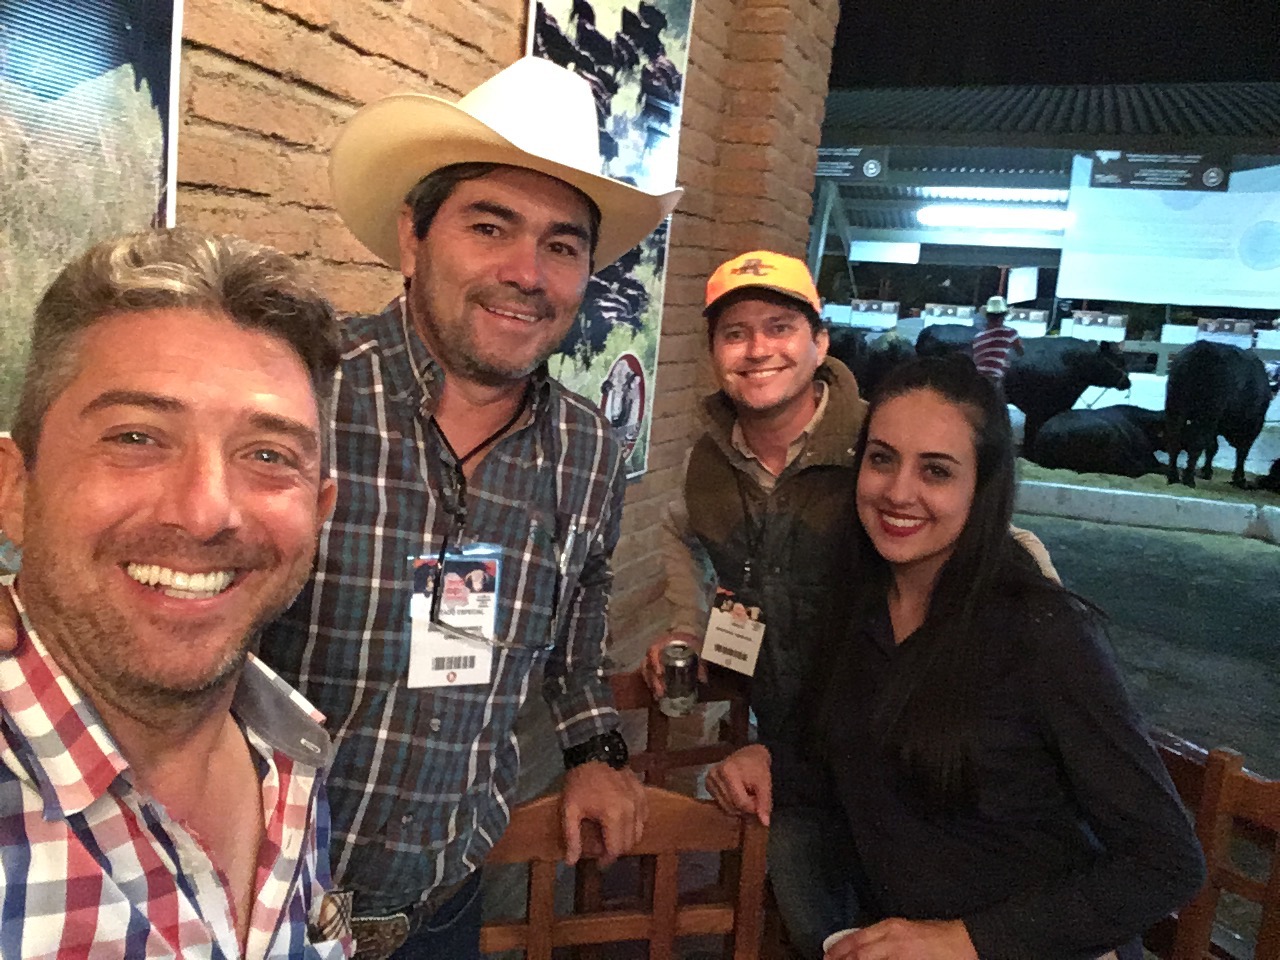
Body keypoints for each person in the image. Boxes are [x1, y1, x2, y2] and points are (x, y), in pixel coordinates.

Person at [256, 56, 682, 960]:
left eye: (562, 246)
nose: (526, 273)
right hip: (253, 906)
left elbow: (579, 617)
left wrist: (594, 753)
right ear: (413, 238)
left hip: (442, 910)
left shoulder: (585, 450)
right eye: (490, 227)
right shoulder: (299, 399)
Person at [708, 356, 1206, 960]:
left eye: (936, 471)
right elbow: (863, 761)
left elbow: (1167, 862)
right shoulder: (858, 605)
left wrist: (964, 941)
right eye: (882, 459)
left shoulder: (1041, 632)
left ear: (982, 487)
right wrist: (772, 762)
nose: (898, 492)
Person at [643, 253, 1057, 959]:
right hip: (795, 761)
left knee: (927, 931)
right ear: (713, 352)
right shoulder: (709, 458)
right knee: (826, 937)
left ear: (820, 342)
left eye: (780, 327)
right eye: (735, 332)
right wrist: (688, 621)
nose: (757, 349)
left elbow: (1002, 541)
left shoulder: (880, 443)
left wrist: (1048, 647)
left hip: (916, 773)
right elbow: (674, 526)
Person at [0, 229, 351, 958]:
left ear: (318, 512)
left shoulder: (289, 757)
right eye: (136, 438)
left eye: (268, 455)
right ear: (15, 487)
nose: (204, 511)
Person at [971, 295, 1023, 384]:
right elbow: (1020, 352)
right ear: (1003, 317)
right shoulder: (1010, 333)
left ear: (987, 317)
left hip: (977, 379)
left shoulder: (978, 337)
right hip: (995, 379)